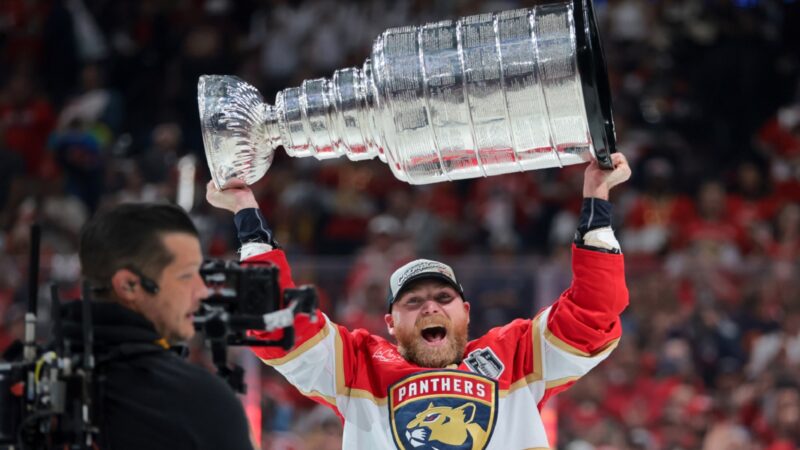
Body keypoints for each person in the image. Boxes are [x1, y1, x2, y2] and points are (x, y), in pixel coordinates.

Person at [207, 153, 632, 450]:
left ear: (465, 313)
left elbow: (594, 314)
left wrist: (597, 200)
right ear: (389, 323)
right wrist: (246, 216)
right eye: (413, 302)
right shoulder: (359, 366)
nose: (430, 307)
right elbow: (272, 323)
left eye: (443, 298)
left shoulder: (517, 355)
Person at [64, 203, 253, 450]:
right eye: (186, 276)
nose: (202, 290)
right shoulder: (200, 401)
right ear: (129, 285)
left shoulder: (27, 380)